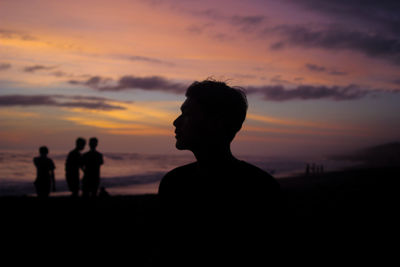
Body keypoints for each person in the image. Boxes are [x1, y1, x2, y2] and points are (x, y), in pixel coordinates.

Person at [157, 79, 282, 265]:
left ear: (216, 123)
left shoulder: (259, 189)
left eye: (188, 114)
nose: (176, 122)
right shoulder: (174, 182)